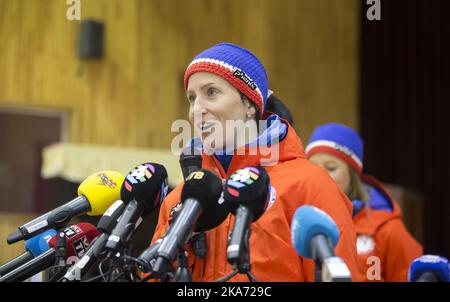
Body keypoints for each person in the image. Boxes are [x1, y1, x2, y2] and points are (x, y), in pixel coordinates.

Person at [150, 43, 362, 281]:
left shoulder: (310, 185)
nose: (196, 110)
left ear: (250, 104)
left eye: (211, 92)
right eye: (191, 98)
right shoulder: (181, 197)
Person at [305, 123, 423, 281]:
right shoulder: (299, 224)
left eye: (331, 168)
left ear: (353, 176)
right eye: (313, 168)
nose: (320, 176)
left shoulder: (386, 229)